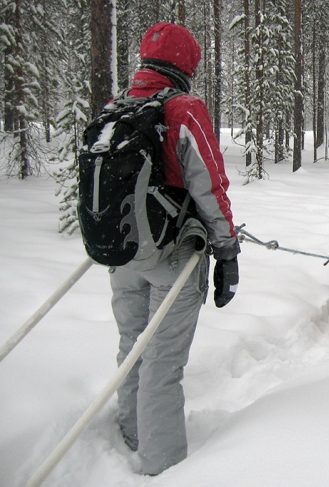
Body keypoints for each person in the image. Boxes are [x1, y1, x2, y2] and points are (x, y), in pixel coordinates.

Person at [109, 22, 240, 475]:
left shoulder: (118, 108)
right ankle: (162, 465)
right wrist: (227, 251)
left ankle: (132, 429)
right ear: (185, 65)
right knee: (163, 361)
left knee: (132, 344)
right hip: (171, 254)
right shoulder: (184, 109)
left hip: (122, 254)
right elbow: (210, 185)